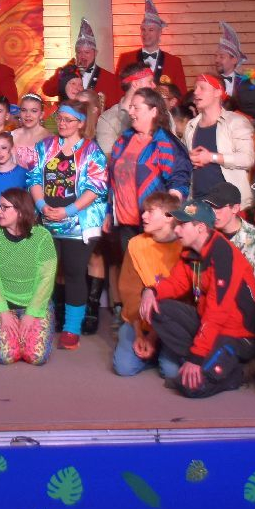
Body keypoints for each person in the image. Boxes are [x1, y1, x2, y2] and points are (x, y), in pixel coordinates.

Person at [142, 198, 255, 399]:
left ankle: (240, 372)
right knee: (155, 307)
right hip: (207, 323)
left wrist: (196, 358)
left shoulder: (223, 254)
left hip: (236, 335)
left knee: (192, 387)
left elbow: (217, 313)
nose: (176, 230)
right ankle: (202, 358)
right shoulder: (190, 251)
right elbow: (176, 284)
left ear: (200, 228)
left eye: (182, 225)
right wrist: (151, 291)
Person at [104, 86, 191, 337]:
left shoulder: (164, 142)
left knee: (154, 273)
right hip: (125, 220)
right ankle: (133, 320)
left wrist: (171, 210)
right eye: (130, 106)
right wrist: (110, 212)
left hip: (152, 221)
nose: (130, 111)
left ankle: (158, 325)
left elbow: (179, 178)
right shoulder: (124, 139)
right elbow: (112, 179)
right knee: (132, 274)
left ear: (153, 111)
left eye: (136, 107)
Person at [27, 100, 109, 347]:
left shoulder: (92, 151)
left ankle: (71, 329)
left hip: (78, 223)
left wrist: (68, 211)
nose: (62, 124)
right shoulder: (44, 146)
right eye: (59, 118)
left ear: (81, 123)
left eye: (68, 120)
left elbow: (96, 187)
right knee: (45, 273)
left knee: (74, 272)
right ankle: (43, 320)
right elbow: (33, 177)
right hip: (46, 219)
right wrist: (41, 206)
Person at [0, 188, 57, 366]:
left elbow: (46, 278)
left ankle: (25, 337)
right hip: (3, 305)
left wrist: (31, 313)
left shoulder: (42, 237)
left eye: (4, 207)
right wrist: (3, 312)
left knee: (36, 357)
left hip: (35, 304)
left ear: (20, 211)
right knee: (6, 357)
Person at [113, 193, 185, 379]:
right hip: (139, 321)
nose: (143, 216)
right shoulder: (136, 244)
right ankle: (150, 350)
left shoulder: (183, 246)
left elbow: (182, 298)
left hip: (169, 323)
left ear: (169, 216)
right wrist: (139, 334)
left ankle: (158, 349)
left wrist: (153, 337)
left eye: (150, 212)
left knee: (171, 372)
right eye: (144, 211)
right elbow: (129, 293)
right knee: (124, 368)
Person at [183, 73, 255, 202]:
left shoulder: (236, 122)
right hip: (197, 202)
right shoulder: (191, 126)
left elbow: (247, 159)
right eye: (195, 88)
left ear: (218, 92)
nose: (196, 92)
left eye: (202, 88)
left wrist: (211, 157)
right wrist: (188, 158)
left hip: (228, 204)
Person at [203, 182, 255, 289]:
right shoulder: (205, 233)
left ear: (235, 208)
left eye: (218, 207)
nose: (213, 213)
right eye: (210, 207)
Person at [114, 0, 185, 94]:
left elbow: (180, 95)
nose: (146, 34)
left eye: (151, 30)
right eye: (143, 30)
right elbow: (117, 90)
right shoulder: (126, 59)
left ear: (160, 32)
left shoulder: (174, 62)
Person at [45, 17, 118, 110]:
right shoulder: (65, 73)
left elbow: (115, 108)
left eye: (87, 52)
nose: (82, 56)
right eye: (79, 52)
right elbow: (47, 91)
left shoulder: (109, 78)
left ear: (95, 53)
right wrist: (63, 72)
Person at [213, 21, 251, 102]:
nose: (216, 60)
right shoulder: (211, 82)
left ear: (234, 60)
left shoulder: (245, 82)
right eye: (216, 56)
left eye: (221, 57)